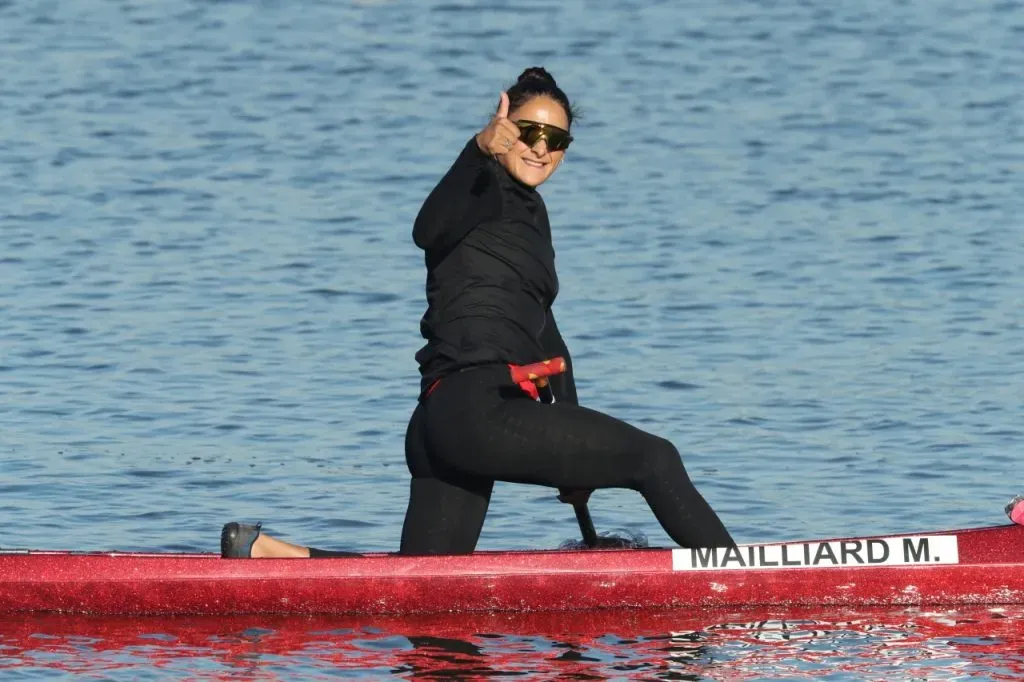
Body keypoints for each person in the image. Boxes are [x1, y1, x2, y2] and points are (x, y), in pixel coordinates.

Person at [220, 67, 734, 559]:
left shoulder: (529, 215)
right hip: (477, 411)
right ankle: (754, 584)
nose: (540, 148)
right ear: (503, 128)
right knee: (654, 459)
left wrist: (575, 455)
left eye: (555, 140)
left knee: (422, 586)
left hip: (442, 423)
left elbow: (548, 337)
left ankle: (261, 552)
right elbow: (426, 228)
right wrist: (478, 149)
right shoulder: (478, 186)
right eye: (528, 131)